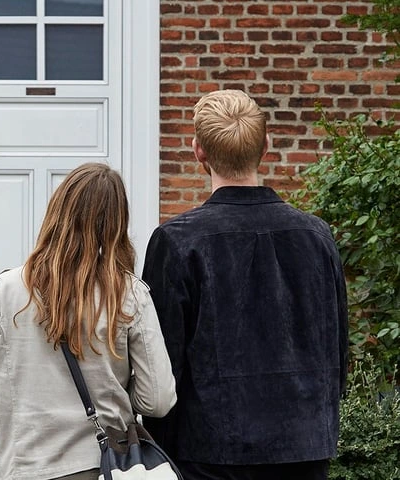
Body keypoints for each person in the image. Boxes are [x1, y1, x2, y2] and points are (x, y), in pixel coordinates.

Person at [141, 89, 348, 480]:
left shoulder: (177, 240)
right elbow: (336, 346)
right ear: (266, 146)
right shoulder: (316, 235)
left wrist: (160, 449)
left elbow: (163, 360)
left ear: (197, 150)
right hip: (302, 447)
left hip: (210, 451)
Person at [0, 162, 177, 480]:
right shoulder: (128, 294)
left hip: (26, 466)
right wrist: (114, 392)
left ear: (56, 211)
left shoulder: (4, 291)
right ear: (117, 223)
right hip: (103, 466)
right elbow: (157, 399)